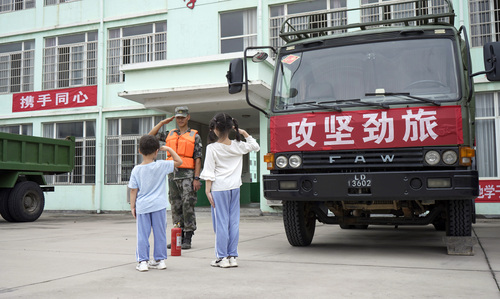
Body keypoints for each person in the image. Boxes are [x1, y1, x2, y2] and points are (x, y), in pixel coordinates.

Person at [200, 113, 260, 268]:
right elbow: (256, 147)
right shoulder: (238, 145)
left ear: (216, 129)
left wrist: (208, 190)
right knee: (233, 223)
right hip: (235, 188)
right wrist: (244, 133)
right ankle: (232, 256)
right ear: (231, 128)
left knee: (221, 223)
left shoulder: (212, 148)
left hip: (219, 189)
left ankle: (222, 257)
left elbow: (209, 171)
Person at [149, 106, 202, 249]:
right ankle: (177, 235)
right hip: (172, 175)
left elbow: (198, 158)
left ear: (188, 117)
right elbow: (150, 137)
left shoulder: (194, 136)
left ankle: (188, 238)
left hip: (188, 176)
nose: (180, 120)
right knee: (175, 205)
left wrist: (196, 178)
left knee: (187, 205)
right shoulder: (169, 134)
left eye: (183, 117)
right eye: (178, 117)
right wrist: (161, 124)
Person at [129, 135, 183, 272]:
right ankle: (160, 260)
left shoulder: (136, 170)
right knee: (160, 233)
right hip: (159, 205)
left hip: (143, 206)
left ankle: (143, 262)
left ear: (139, 151)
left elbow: (133, 190)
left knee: (143, 234)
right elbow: (179, 161)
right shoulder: (161, 165)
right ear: (156, 151)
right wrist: (169, 149)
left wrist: (132, 206)